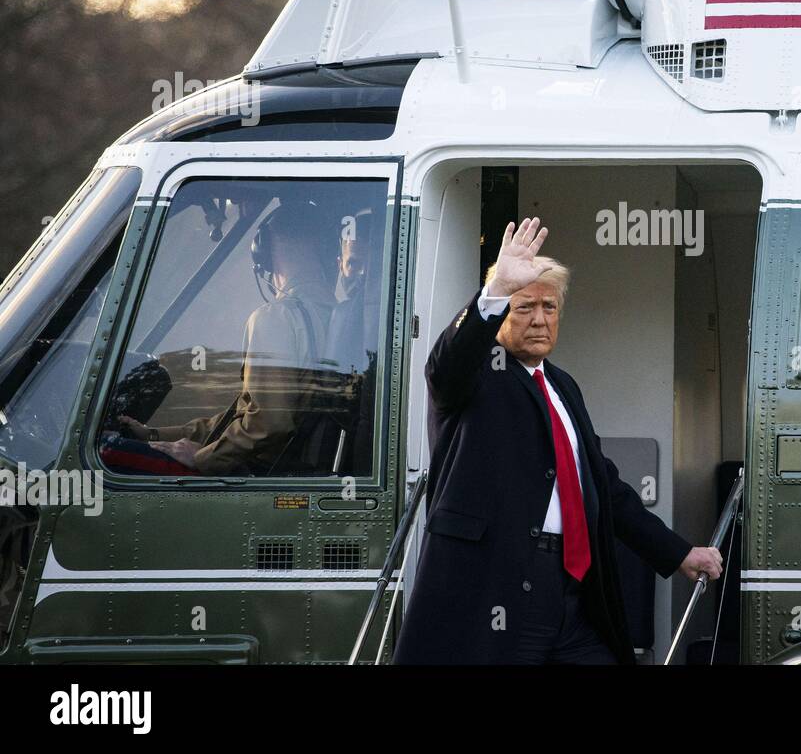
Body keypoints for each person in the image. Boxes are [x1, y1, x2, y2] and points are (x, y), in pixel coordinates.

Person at [394, 217, 723, 664]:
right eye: (524, 306)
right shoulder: (476, 375)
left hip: (572, 591)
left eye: (549, 308)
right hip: (499, 588)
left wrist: (679, 553)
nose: (539, 320)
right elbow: (447, 363)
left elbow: (604, 488)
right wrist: (495, 292)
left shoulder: (563, 386)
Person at [108, 201, 338, 476]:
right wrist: (153, 435)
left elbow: (268, 422)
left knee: (108, 454)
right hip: (293, 470)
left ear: (266, 248)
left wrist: (204, 459)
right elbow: (244, 413)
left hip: (259, 474)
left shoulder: (275, 318)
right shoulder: (334, 313)